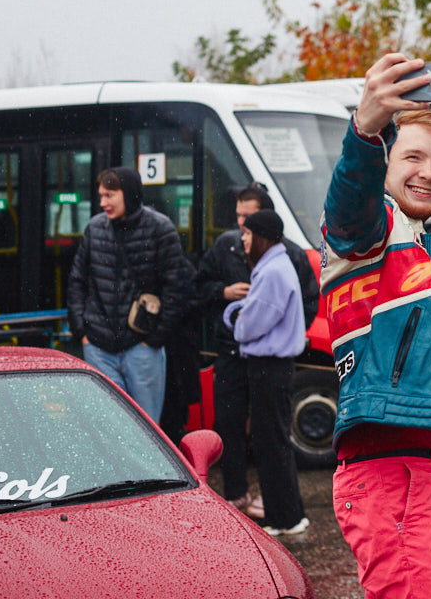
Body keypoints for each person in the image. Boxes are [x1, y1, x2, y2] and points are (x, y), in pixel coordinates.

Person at [321, 52, 431, 599]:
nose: (428, 172)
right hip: (393, 471)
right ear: (386, 167)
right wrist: (365, 130)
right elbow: (350, 201)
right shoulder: (371, 230)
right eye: (413, 157)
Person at [195, 182, 319, 515]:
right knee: (230, 425)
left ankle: (274, 499)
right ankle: (236, 493)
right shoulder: (225, 246)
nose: (241, 225)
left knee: (271, 432)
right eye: (238, 216)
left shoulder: (288, 253)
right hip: (230, 353)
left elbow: (308, 301)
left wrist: (279, 331)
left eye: (248, 218)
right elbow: (198, 285)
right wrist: (223, 292)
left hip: (265, 355)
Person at [67, 166, 190, 421]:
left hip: (142, 348)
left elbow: (176, 288)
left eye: (109, 195)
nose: (103, 203)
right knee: (107, 427)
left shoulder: (160, 228)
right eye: (101, 195)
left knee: (146, 429)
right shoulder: (94, 228)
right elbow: (77, 281)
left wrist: (154, 339)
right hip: (98, 347)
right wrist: (83, 332)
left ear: (129, 193)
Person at [223, 208, 310, 536]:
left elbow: (251, 326)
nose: (243, 240)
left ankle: (284, 518)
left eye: (246, 234)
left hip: (268, 369)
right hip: (274, 368)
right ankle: (286, 514)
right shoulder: (277, 264)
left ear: (260, 236)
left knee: (271, 443)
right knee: (274, 441)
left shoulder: (272, 270)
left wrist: (237, 320)